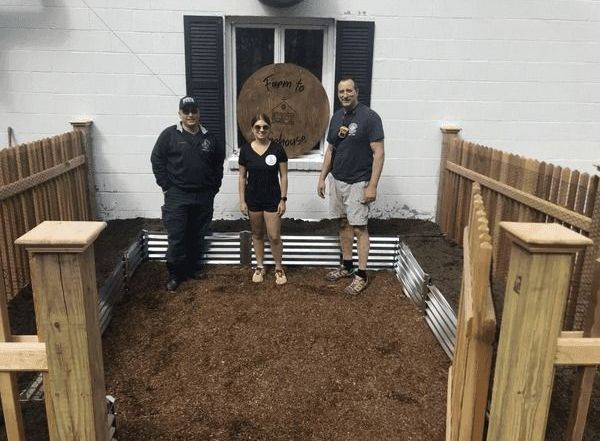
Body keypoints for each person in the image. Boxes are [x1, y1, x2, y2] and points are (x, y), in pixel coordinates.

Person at [317, 78, 385, 295]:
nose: (345, 95)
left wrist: (372, 185)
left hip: (359, 181)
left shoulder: (370, 118)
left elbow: (379, 153)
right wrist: (322, 177)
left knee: (360, 228)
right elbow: (330, 150)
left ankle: (361, 275)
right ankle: (347, 266)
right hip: (338, 180)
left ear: (357, 92)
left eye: (349, 91)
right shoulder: (336, 118)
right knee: (344, 224)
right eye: (341, 91)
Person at [151, 96, 225, 291]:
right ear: (180, 114)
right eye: (186, 111)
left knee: (198, 233)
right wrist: (166, 186)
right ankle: (176, 274)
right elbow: (156, 160)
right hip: (177, 195)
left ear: (199, 112)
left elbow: (218, 164)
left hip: (203, 196)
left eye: (194, 111)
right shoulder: (169, 135)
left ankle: (193, 268)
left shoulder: (209, 137)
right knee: (177, 235)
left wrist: (213, 187)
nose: (190, 115)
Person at [238, 113, 289, 285]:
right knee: (257, 234)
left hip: (272, 199)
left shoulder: (277, 149)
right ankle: (259, 266)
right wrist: (242, 200)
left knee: (274, 236)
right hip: (253, 198)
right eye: (257, 127)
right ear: (252, 129)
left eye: (265, 127)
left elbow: (284, 176)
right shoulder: (245, 150)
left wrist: (283, 199)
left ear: (269, 129)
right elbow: (241, 177)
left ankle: (279, 268)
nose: (261, 130)